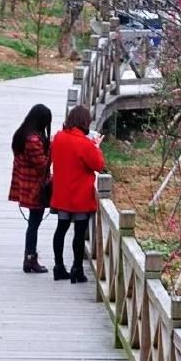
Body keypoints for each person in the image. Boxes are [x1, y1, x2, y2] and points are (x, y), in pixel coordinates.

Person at [50, 104, 105, 284]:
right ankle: (77, 269)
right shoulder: (84, 144)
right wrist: (96, 146)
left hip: (61, 192)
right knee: (79, 234)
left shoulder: (58, 138)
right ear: (84, 122)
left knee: (61, 229)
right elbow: (98, 165)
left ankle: (58, 266)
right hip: (80, 194)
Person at [9, 103, 52, 274]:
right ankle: (30, 258)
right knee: (34, 223)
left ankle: (30, 257)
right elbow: (42, 164)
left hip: (25, 183)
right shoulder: (33, 140)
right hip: (34, 187)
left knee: (34, 223)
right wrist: (52, 149)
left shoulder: (21, 134)